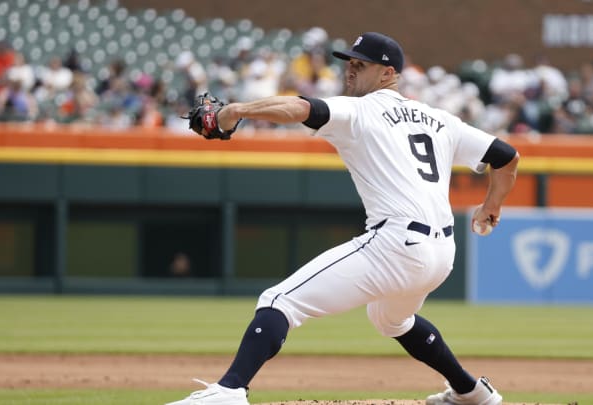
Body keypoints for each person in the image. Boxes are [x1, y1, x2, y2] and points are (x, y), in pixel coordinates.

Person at [167, 31, 519, 405]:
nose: (350, 71)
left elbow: (301, 109)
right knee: (389, 320)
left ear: (388, 73)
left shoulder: (360, 109)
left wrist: (234, 111)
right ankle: (471, 392)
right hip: (442, 253)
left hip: (396, 244)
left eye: (360, 64)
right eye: (348, 63)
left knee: (279, 301)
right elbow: (507, 157)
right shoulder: (439, 119)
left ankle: (229, 391)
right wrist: (491, 206)